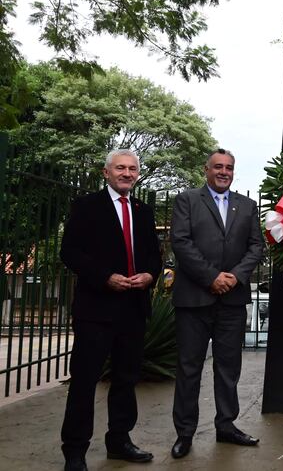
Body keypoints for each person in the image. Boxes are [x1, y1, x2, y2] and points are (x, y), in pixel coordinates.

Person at [60, 149, 162, 471]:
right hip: (96, 309)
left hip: (133, 308)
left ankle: (119, 440)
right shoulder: (86, 207)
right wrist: (105, 277)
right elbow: (70, 252)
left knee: (126, 379)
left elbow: (154, 256)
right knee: (84, 381)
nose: (127, 173)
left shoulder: (144, 212)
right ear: (107, 172)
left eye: (132, 169)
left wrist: (150, 274)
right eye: (120, 168)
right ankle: (75, 450)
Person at [169, 148, 264, 459]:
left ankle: (227, 426)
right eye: (218, 167)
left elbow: (255, 246)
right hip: (194, 299)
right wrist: (212, 277)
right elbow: (181, 242)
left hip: (232, 301)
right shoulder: (187, 200)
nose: (224, 172)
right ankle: (185, 433)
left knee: (228, 368)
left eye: (229, 168)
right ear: (206, 169)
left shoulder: (247, 206)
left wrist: (235, 276)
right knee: (189, 368)